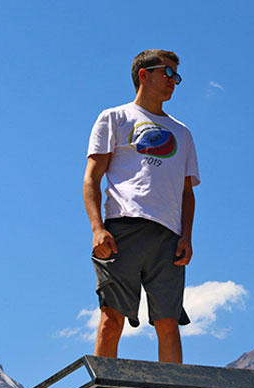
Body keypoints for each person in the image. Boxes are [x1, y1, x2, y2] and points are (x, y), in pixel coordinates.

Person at [83, 49, 199, 363]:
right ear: (143, 74)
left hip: (168, 237)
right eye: (168, 72)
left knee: (168, 324)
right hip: (122, 229)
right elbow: (92, 179)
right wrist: (97, 229)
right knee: (111, 319)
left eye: (177, 75)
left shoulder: (183, 133)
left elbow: (188, 193)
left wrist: (186, 237)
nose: (174, 81)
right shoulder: (114, 118)